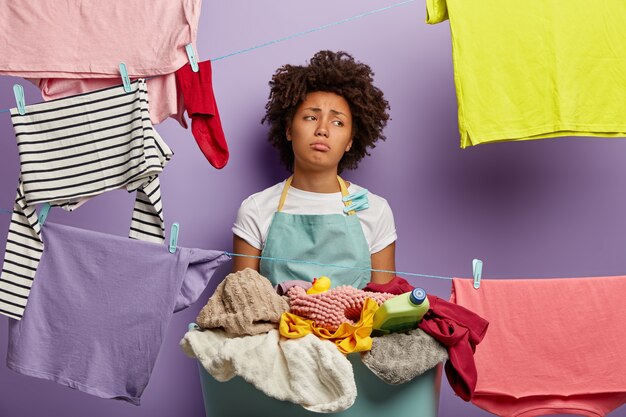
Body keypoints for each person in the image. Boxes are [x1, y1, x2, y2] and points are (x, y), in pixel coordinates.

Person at [232, 50, 396, 288]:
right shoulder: (255, 209)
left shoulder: (376, 210)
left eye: (338, 122)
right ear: (289, 129)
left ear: (350, 140)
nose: (323, 129)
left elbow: (386, 307)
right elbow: (241, 304)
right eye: (310, 117)